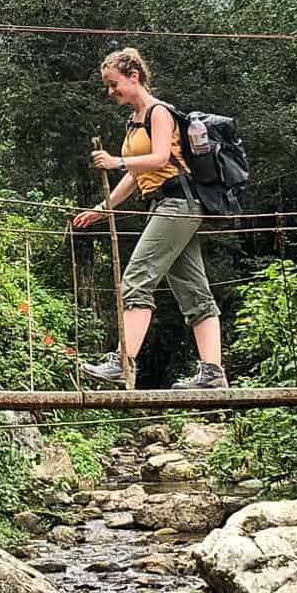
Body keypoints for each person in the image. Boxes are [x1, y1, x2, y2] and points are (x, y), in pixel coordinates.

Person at [71, 47, 227, 389]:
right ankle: (214, 375)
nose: (112, 92)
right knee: (194, 291)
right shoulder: (134, 122)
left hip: (178, 204)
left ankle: (122, 362)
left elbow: (157, 159)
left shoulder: (159, 112)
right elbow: (136, 176)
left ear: (134, 76)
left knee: (137, 278)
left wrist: (117, 161)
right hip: (163, 206)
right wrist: (102, 209)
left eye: (114, 84)